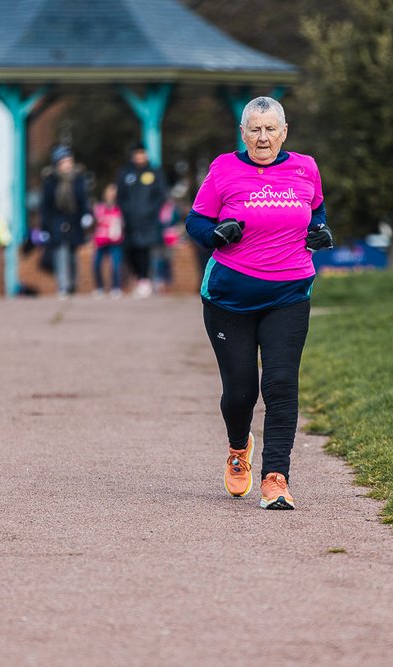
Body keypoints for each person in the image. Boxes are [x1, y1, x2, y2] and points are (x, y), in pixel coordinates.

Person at [185, 96, 334, 510]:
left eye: (271, 129)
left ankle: (275, 478)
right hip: (229, 299)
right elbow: (195, 221)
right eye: (255, 129)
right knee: (240, 393)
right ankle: (238, 448)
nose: (263, 137)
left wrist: (320, 231)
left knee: (281, 384)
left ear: (284, 132)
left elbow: (316, 210)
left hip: (289, 292)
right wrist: (217, 234)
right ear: (243, 132)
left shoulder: (305, 167)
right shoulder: (224, 169)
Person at [116, 142, 166, 297]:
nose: (140, 157)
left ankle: (145, 281)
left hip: (148, 220)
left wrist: (151, 210)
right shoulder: (125, 173)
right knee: (131, 250)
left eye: (142, 153)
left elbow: (161, 194)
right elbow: (121, 196)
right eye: (137, 154)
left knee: (145, 249)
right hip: (130, 220)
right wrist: (126, 211)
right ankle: (138, 278)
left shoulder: (155, 172)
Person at [40, 146, 90, 298]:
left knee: (73, 254)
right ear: (57, 163)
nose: (68, 164)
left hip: (74, 220)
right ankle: (63, 286)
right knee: (60, 252)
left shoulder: (79, 179)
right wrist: (45, 226)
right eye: (64, 161)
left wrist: (86, 214)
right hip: (57, 220)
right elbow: (45, 205)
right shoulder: (50, 180)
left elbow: (83, 199)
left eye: (69, 161)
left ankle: (72, 284)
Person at [92, 182, 124, 297]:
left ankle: (116, 287)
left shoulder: (120, 208)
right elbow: (94, 224)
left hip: (115, 241)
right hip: (101, 240)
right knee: (96, 264)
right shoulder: (99, 208)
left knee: (115, 265)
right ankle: (99, 287)